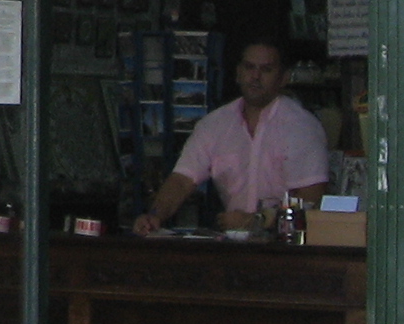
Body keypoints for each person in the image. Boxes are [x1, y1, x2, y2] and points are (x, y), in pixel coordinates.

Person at [133, 38, 329, 234]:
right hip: (233, 240)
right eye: (249, 67)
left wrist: (256, 221)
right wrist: (155, 215)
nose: (255, 76)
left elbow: (311, 201)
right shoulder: (215, 124)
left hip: (285, 242)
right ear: (238, 73)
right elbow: (182, 181)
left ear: (283, 78)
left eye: (266, 70)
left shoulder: (301, 127)